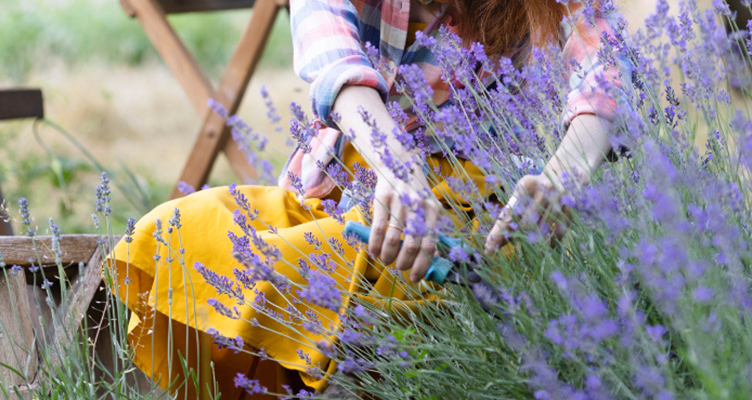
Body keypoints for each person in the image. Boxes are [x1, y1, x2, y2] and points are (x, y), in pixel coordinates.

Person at [106, 0, 624, 398]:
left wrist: (566, 175)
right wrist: (397, 167)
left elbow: (605, 65)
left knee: (304, 268)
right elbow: (334, 58)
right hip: (340, 185)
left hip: (477, 211)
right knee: (176, 235)